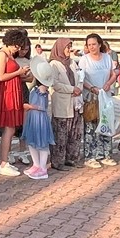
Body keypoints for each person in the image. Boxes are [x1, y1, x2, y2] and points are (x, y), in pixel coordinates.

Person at [0, 28, 33, 177]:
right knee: (8, 129)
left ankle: (5, 161)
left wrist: (22, 74)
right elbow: (1, 76)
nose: (18, 48)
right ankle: (3, 162)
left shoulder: (9, 54)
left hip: (13, 90)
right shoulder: (2, 54)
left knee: (11, 128)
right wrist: (19, 72)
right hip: (7, 92)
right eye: (17, 45)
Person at [79, 34, 117, 168]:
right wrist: (92, 88)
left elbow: (113, 74)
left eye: (94, 44)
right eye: (89, 45)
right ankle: (90, 156)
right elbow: (81, 78)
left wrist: (109, 83)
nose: (92, 47)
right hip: (91, 97)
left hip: (105, 96)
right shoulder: (84, 60)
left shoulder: (107, 58)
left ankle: (106, 154)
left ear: (99, 44)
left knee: (106, 123)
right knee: (91, 126)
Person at [47, 38, 82, 171]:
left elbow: (80, 77)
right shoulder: (54, 64)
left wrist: (77, 88)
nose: (69, 50)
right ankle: (57, 161)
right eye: (67, 47)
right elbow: (55, 84)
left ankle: (71, 158)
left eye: (70, 46)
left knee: (74, 132)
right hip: (62, 102)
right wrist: (71, 89)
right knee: (61, 133)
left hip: (75, 102)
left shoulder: (73, 62)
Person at [23, 56, 55, 180]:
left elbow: (42, 106)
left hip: (39, 119)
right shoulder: (36, 89)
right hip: (33, 117)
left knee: (41, 144)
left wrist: (30, 106)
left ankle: (42, 167)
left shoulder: (42, 90)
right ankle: (36, 164)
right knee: (32, 142)